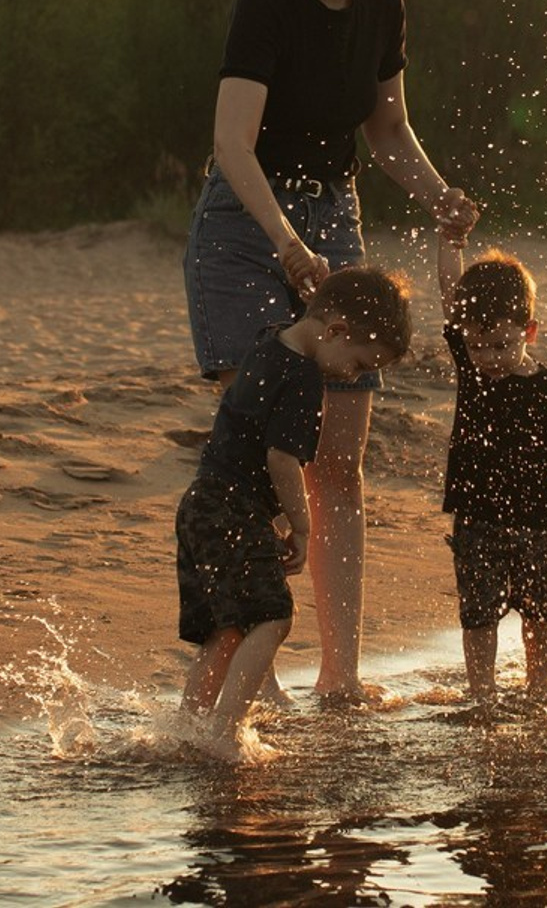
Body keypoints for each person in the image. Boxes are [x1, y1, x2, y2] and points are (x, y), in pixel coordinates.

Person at [183, 0, 477, 703]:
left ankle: (341, 678)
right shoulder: (266, 4)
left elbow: (385, 135)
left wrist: (438, 195)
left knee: (338, 458)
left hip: (334, 217)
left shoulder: (383, 8)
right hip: (246, 226)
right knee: (259, 451)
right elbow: (232, 144)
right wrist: (283, 241)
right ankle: (250, 665)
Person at [176, 266, 413, 758]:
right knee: (274, 616)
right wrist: (301, 526)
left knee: (226, 627)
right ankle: (225, 732)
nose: (353, 376)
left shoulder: (266, 343)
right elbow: (282, 459)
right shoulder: (305, 378)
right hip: (234, 509)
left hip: (200, 504)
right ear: (336, 331)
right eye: (359, 364)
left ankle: (187, 728)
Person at [437, 238, 547, 704]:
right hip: (476, 520)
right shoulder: (472, 375)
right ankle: (483, 692)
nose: (489, 357)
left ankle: (540, 684)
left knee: (540, 610)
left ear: (528, 332)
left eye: (501, 345)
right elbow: (449, 295)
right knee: (478, 614)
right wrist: (448, 242)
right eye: (477, 347)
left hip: (539, 521)